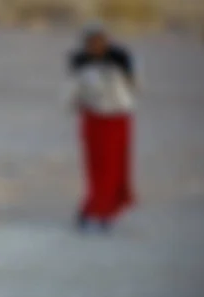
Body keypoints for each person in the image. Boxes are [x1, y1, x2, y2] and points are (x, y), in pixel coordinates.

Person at [67, 24, 137, 231]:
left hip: (118, 119)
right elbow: (71, 96)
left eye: (101, 41)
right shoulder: (80, 64)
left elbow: (136, 88)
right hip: (93, 121)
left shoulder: (120, 60)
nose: (97, 46)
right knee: (96, 168)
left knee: (115, 167)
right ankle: (93, 210)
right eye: (92, 42)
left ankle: (105, 212)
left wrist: (126, 70)